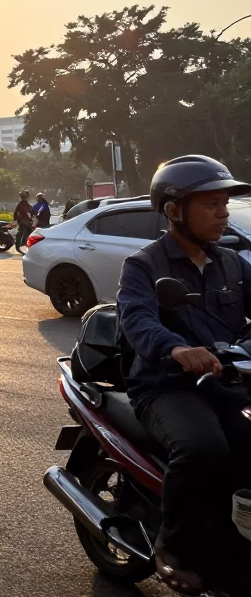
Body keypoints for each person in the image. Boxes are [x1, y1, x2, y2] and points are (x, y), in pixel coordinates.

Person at [117, 155, 251, 592]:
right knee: (203, 448)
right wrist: (176, 348)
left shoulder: (231, 263)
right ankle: (173, 545)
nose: (223, 212)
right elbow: (137, 320)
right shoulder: (144, 264)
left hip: (227, 381)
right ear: (174, 210)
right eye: (210, 203)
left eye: (224, 203)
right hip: (167, 387)